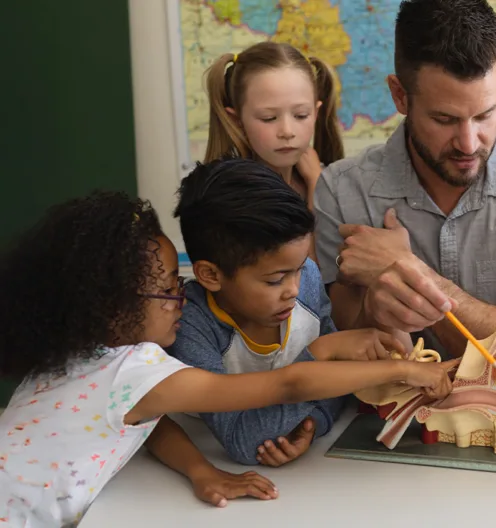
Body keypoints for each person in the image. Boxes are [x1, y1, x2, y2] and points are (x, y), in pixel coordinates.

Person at [0, 191, 455, 526]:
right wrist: (405, 368)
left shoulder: (77, 356)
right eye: (168, 289)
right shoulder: (137, 369)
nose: (182, 298)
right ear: (114, 306)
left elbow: (151, 423)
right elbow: (288, 384)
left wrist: (200, 471)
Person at [313, 0, 496, 384]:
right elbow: (341, 359)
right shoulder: (341, 191)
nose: (468, 143)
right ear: (399, 96)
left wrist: (409, 272)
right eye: (444, 119)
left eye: (485, 115)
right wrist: (372, 317)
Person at [166, 158, 411, 467]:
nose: (294, 289)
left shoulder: (304, 278)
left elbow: (340, 388)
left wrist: (312, 424)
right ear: (210, 276)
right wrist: (320, 354)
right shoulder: (190, 323)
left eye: (298, 269)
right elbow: (243, 443)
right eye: (274, 280)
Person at [203, 41, 344, 212]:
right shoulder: (230, 198)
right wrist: (316, 183)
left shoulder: (331, 178)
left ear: (315, 113)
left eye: (301, 115)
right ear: (236, 120)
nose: (287, 132)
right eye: (268, 118)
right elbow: (309, 239)